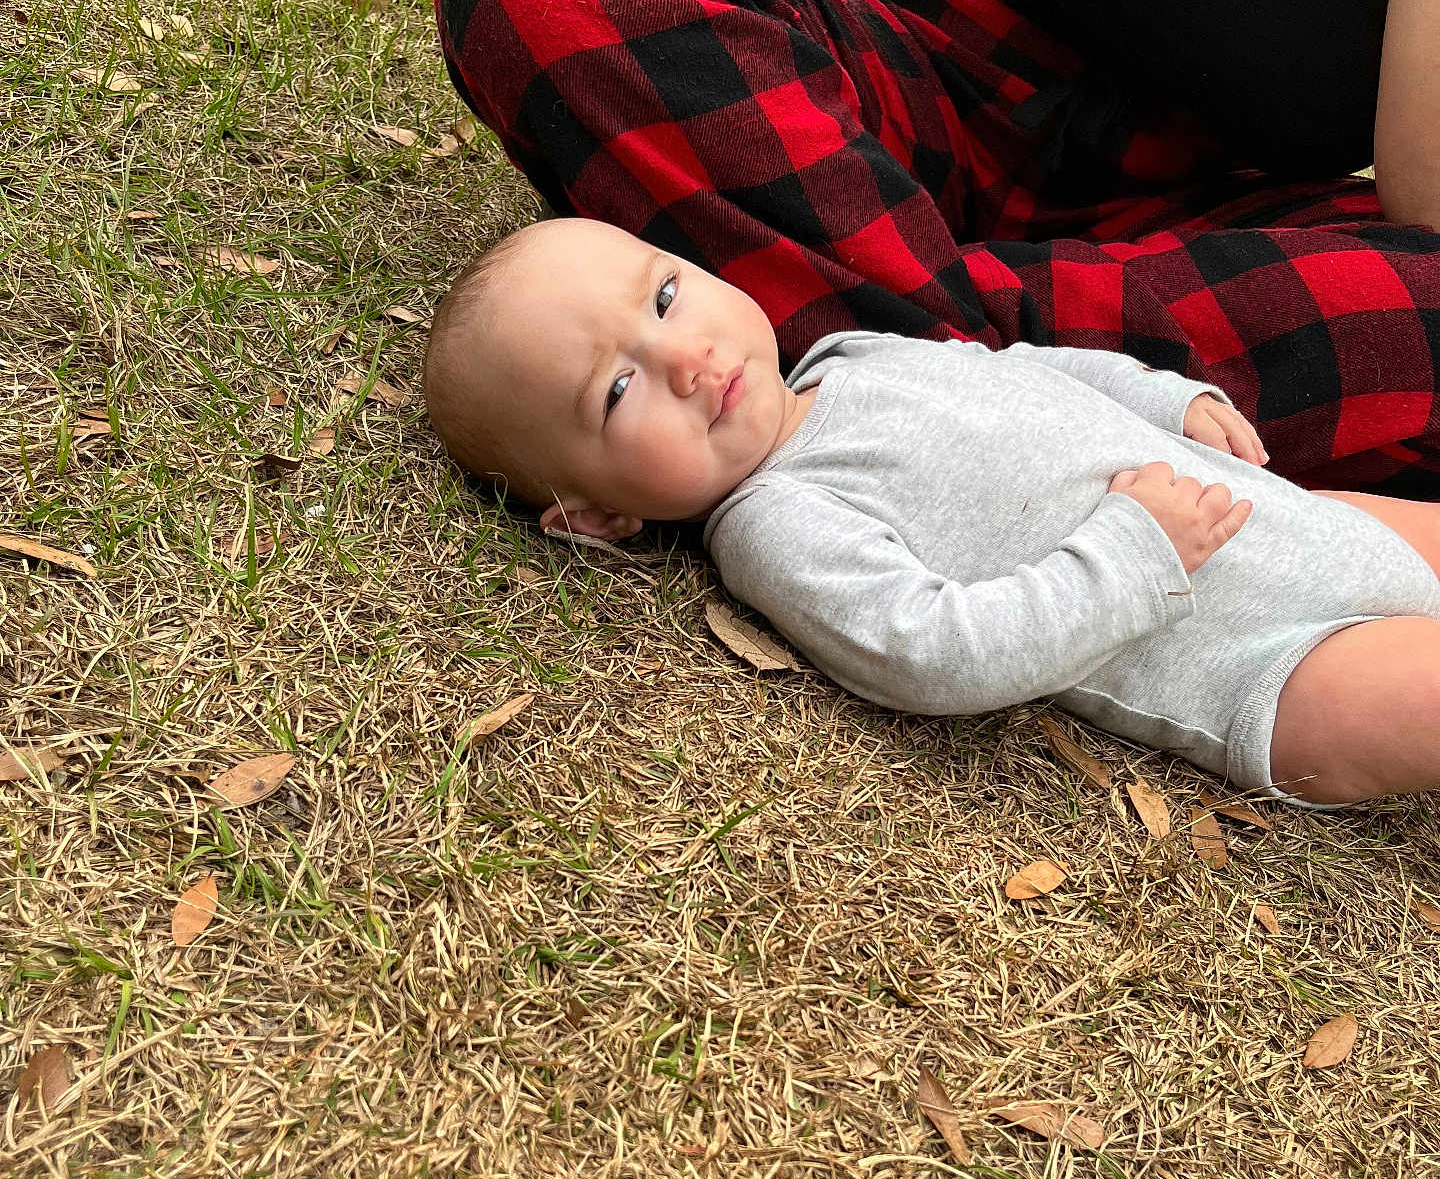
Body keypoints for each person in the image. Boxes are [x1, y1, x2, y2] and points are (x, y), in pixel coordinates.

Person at [433, 0, 1440, 496]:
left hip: (1190, 226)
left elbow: (1424, 190)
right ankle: (1026, 398)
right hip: (882, 101)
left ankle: (876, 350)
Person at [423, 216, 1440, 805]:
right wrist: (1130, 555)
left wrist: (1165, 400)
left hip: (1293, 518)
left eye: (664, 299)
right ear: (596, 515)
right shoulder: (776, 522)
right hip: (1265, 667)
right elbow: (933, 654)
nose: (685, 357)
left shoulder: (855, 353)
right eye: (616, 390)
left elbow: (1027, 372)